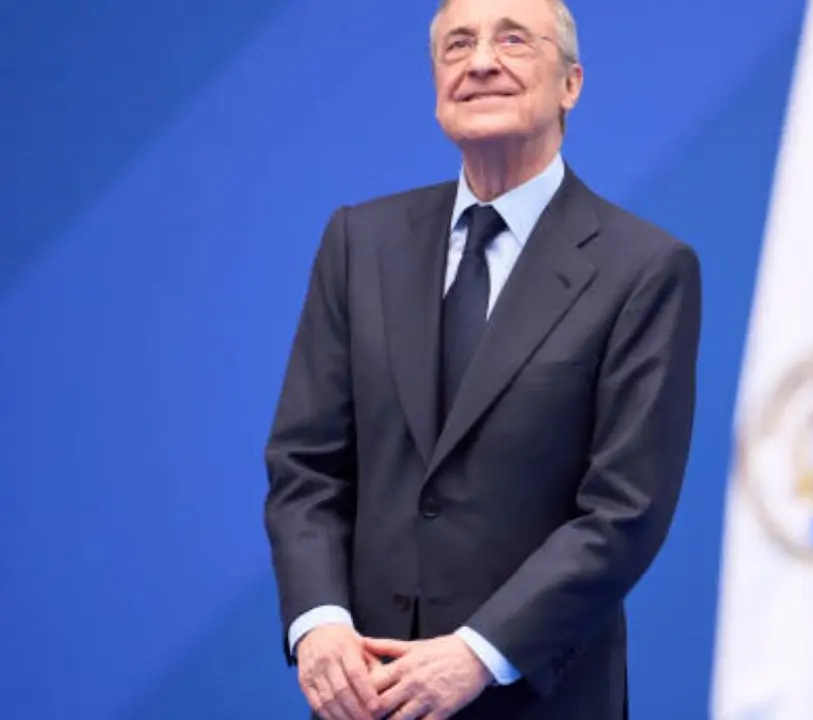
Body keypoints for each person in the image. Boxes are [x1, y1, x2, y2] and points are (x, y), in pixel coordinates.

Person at [262, 0, 702, 718]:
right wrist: (318, 623)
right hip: (367, 696)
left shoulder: (644, 268)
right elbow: (306, 467)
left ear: (571, 84)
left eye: (514, 40)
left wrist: (479, 651)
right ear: (438, 85)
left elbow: (625, 510)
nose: (481, 62)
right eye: (458, 45)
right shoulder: (359, 243)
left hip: (540, 698)